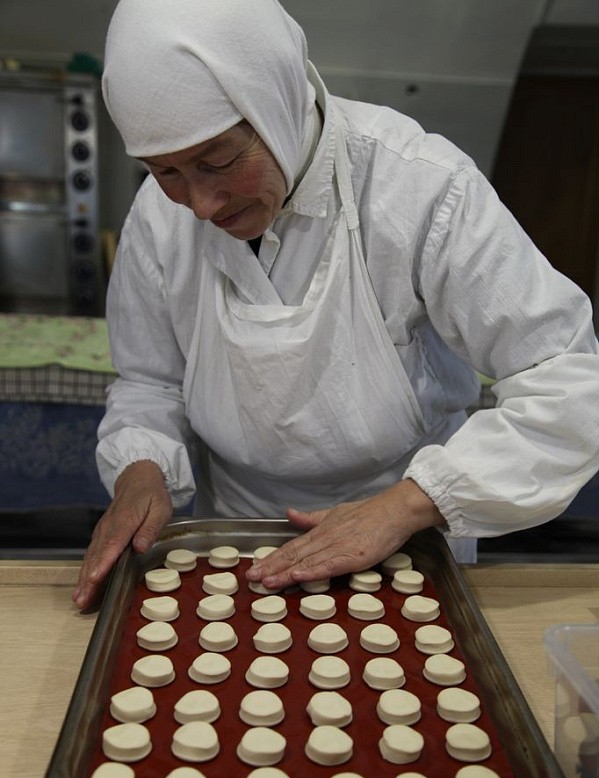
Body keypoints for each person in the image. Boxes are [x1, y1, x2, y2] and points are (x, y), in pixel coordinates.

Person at [73, 0, 599, 611]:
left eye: (218, 162)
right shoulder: (159, 217)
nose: (200, 204)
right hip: (236, 540)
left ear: (274, 104)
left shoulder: (420, 188)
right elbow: (150, 382)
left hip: (407, 536)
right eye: (165, 172)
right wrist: (141, 470)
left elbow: (568, 382)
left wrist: (408, 505)